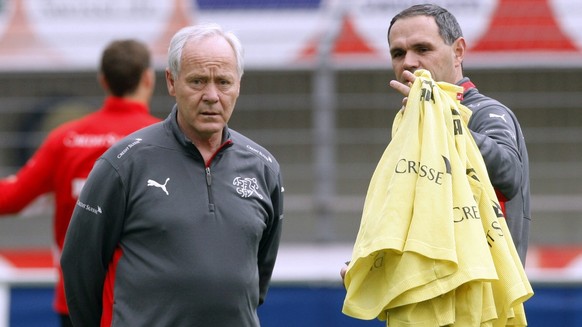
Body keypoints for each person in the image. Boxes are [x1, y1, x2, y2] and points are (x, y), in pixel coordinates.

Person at [60, 23, 284, 327]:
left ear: (239, 85)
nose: (212, 95)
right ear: (171, 81)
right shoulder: (123, 163)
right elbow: (79, 267)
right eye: (197, 81)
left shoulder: (264, 168)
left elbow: (259, 275)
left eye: (223, 82)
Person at [341, 3, 530, 278]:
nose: (408, 62)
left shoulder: (486, 112)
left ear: (458, 52)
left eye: (422, 49)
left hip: (480, 307)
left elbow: (508, 174)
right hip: (428, 299)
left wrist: (442, 119)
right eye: (398, 53)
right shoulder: (413, 124)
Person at [0, 40, 160, 326]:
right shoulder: (164, 141)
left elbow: (9, 198)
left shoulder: (65, 139)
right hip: (146, 299)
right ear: (149, 78)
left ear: (103, 81)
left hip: (76, 299)